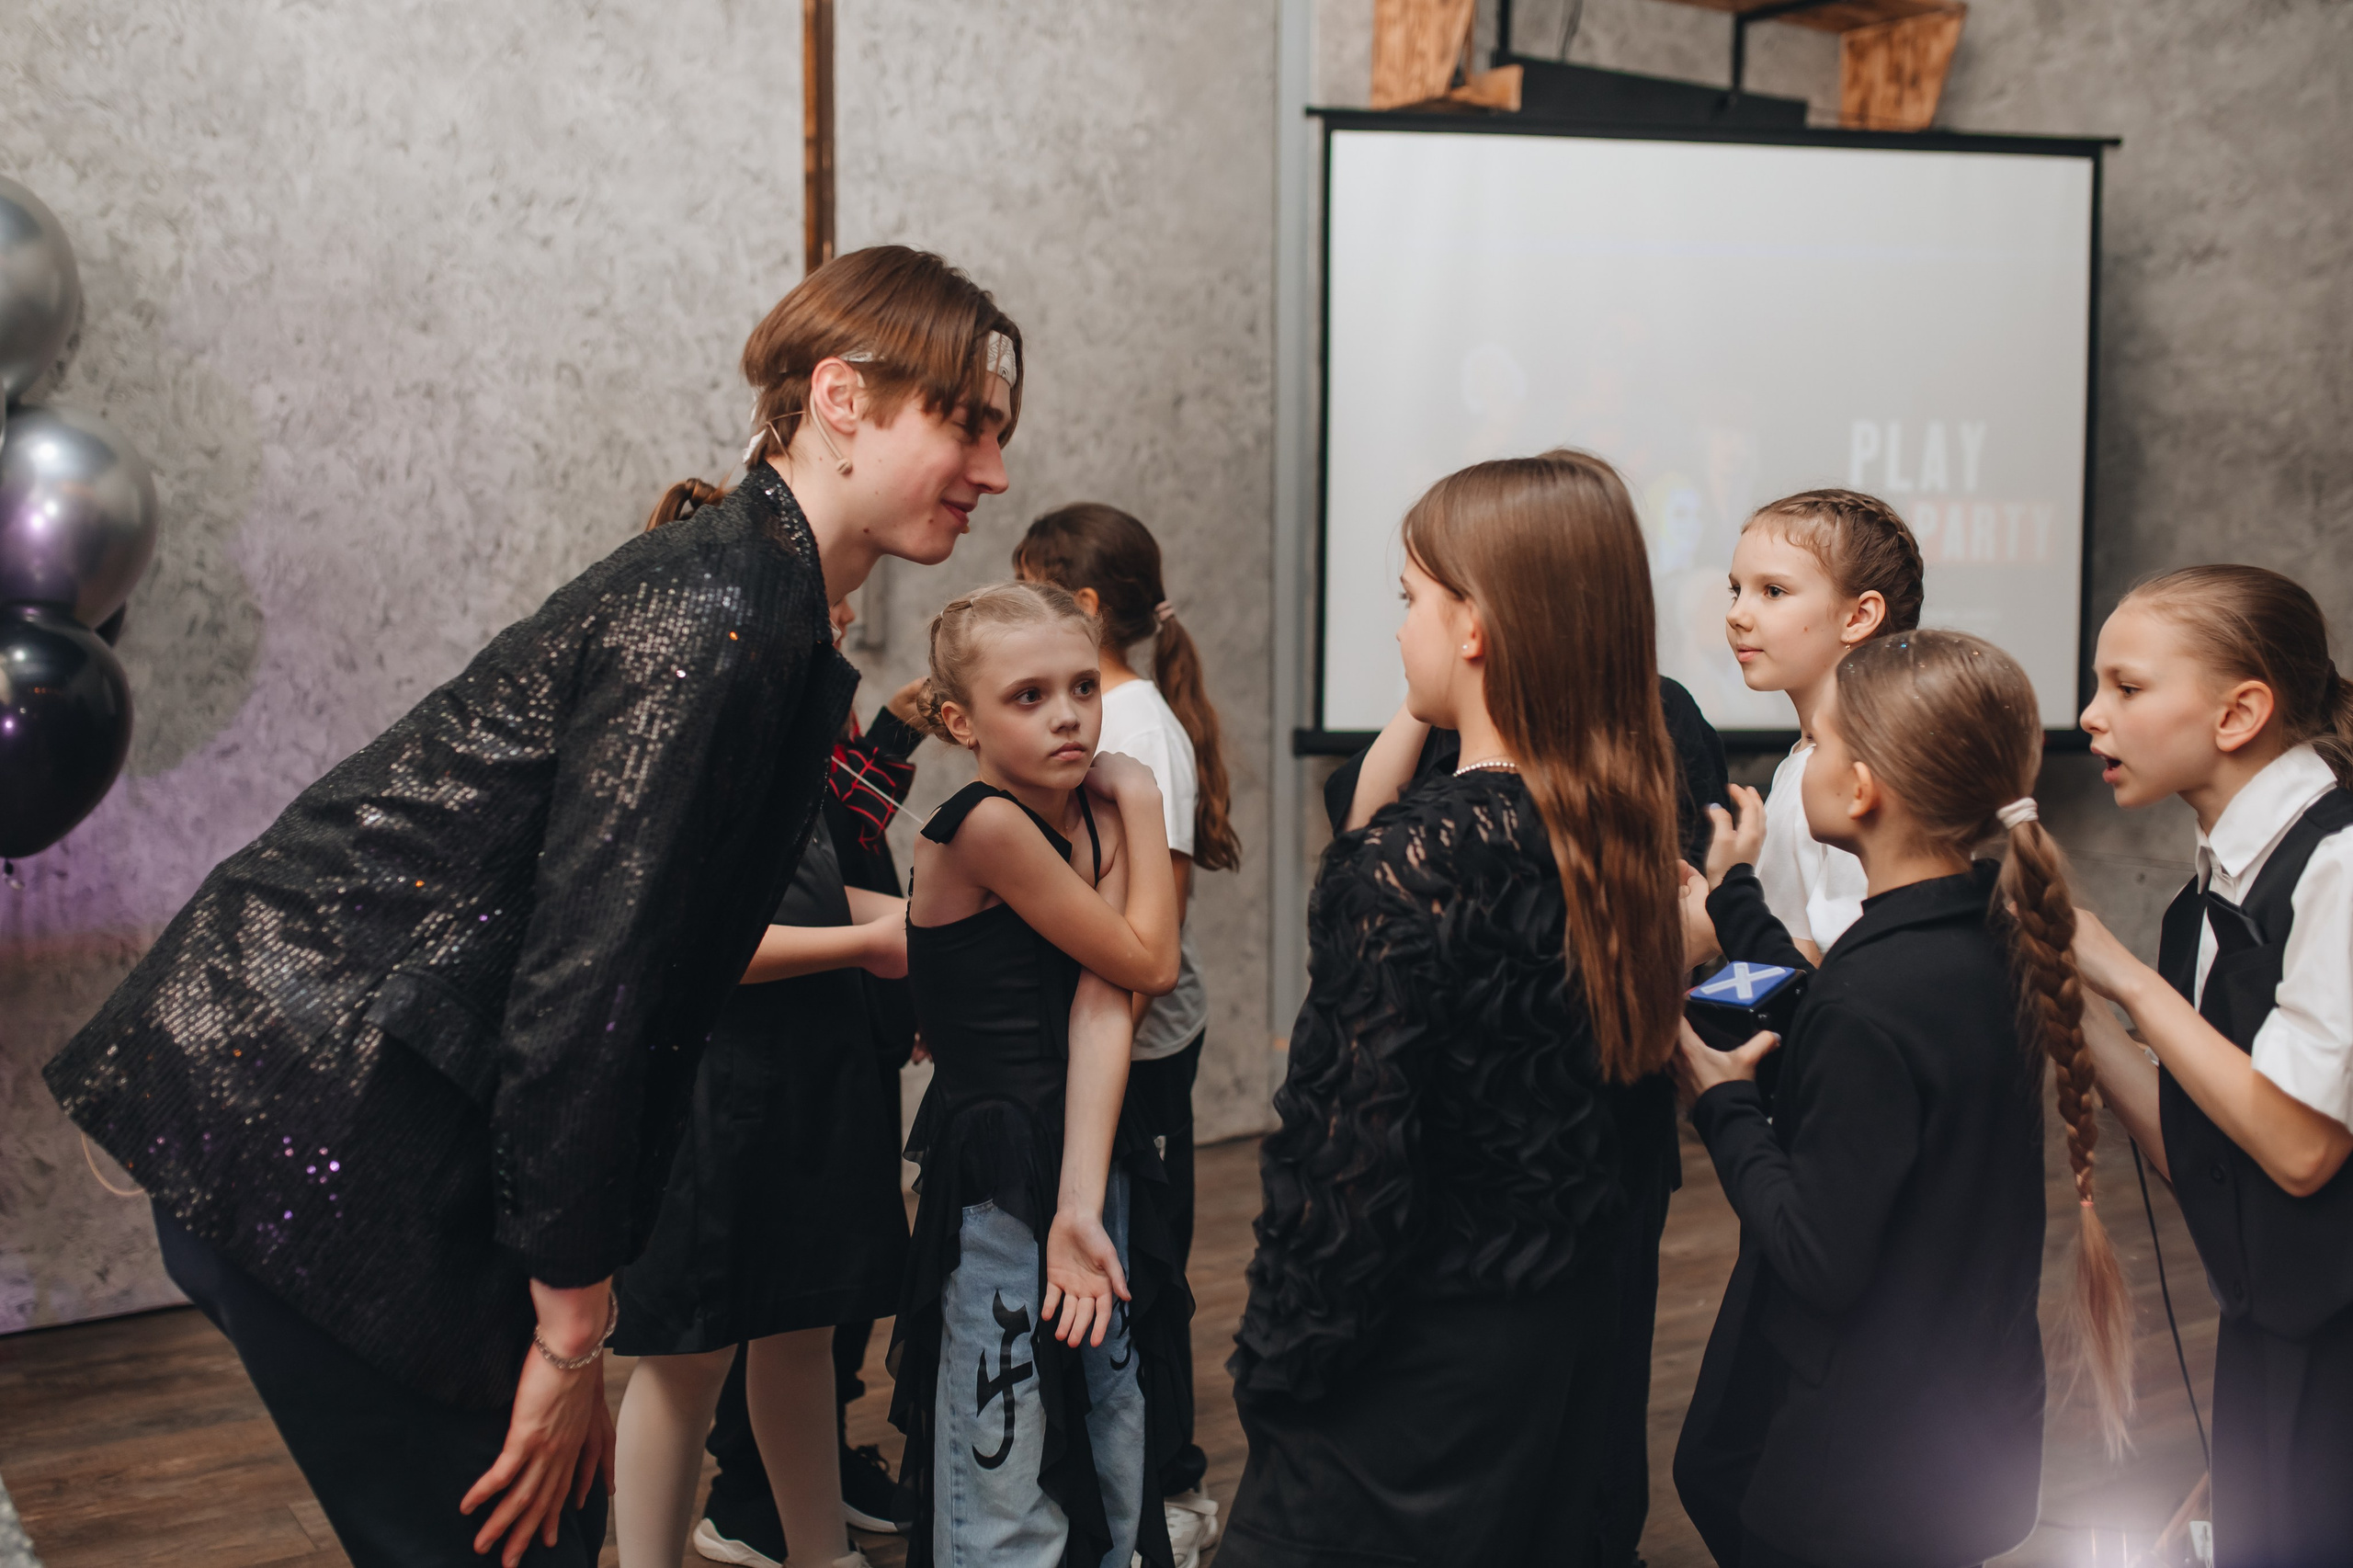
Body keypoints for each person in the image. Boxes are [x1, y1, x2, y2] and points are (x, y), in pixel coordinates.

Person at [40, 244, 1021, 1568]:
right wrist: (573, 1329)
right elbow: (593, 974)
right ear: (842, 398)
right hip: (307, 1106)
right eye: (967, 425)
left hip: (366, 1103)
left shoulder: (770, 602)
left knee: (541, 1536)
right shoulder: (721, 609)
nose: (995, 473)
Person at [1224, 450, 1688, 1566]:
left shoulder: (1415, 860)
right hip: (1557, 1354)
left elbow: (1344, 1176)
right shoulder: (1617, 830)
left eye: (1409, 600)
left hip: (1412, 1382)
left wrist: (1278, 1379)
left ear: (1472, 624)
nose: (1400, 631)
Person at [1675, 630, 2132, 1568]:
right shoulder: (1984, 930)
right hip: (1961, 1435)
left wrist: (1723, 1102)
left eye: (1824, 746)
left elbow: (1814, 1252)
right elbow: (1803, 989)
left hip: (1854, 1476)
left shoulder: (1870, 997)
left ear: (1859, 788)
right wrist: (1733, 890)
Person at [1324, 544, 1727, 1568]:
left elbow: (1674, 919)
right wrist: (1432, 698)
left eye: (1419, 599)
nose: (1404, 622)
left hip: (1598, 1117)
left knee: (1594, 1387)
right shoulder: (1448, 740)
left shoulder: (1657, 716)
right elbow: (1362, 824)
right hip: (1476, 1147)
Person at [889, 581, 1188, 1568]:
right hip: (999, 1161)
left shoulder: (1083, 817)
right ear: (957, 720)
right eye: (1027, 696)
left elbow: (1109, 1004)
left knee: (1111, 1397)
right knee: (1004, 1416)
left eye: (1081, 686)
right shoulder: (988, 824)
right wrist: (1141, 797)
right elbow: (1149, 959)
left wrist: (1084, 1201)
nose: (1067, 713)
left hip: (1086, 1142)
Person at [610, 597, 914, 1568]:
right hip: (712, 1094)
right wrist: (876, 939)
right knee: (688, 1357)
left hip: (807, 1074)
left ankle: (821, 1554)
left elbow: (825, 883)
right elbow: (697, 945)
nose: (852, 617)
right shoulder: (688, 756)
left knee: (802, 1333)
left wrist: (934, 916)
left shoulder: (790, 746)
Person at [2070, 565, 2353, 1567]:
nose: (2090, 714)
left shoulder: (2341, 864)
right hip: (2266, 1334)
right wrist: (2070, 998)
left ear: (2239, 711)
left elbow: (2297, 1147)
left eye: (2127, 687)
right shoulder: (2196, 906)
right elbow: (2201, 1146)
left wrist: (2128, 982)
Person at [1011, 503, 1237, 1564]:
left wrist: (1095, 1057)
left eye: (1030, 588)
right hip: (1106, 1038)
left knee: (1146, 1262)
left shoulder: (1138, 727)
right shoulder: (1106, 708)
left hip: (1137, 1050)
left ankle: (1170, 1491)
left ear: (1084, 606)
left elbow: (1151, 934)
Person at [693, 676, 931, 1568]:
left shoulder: (810, 712)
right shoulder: (742, 725)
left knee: (824, 1305)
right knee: (750, 1323)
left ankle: (809, 1487)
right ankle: (748, 1495)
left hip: (839, 1037)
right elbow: (814, 867)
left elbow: (844, 842)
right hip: (775, 1055)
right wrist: (881, 944)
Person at [1722, 489, 1925, 960]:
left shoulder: (1860, 773)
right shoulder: (1806, 757)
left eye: (1773, 591)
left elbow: (1840, 961)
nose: (1736, 615)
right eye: (1737, 590)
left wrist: (1727, 897)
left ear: (1858, 617)